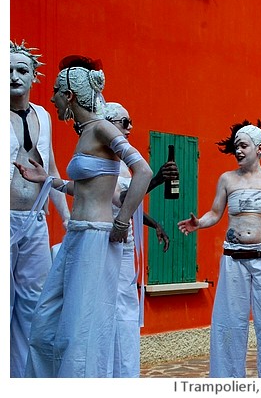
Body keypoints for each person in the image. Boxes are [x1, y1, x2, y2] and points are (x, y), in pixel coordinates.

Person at [15, 58, 152, 377]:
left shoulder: (103, 129)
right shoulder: (87, 132)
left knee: (79, 328)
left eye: (56, 93)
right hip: (77, 235)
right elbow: (88, 188)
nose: (52, 100)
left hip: (95, 237)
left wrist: (123, 221)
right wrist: (46, 179)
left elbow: (142, 171)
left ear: (71, 96)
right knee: (46, 322)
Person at [178, 121, 261, 378]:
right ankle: (228, 382)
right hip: (234, 260)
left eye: (243, 146)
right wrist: (199, 224)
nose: (238, 151)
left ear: (259, 148)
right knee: (229, 324)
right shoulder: (227, 179)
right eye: (236, 146)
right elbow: (215, 213)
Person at [9, 40, 71, 378]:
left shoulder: (44, 116)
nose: (15, 76)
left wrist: (65, 213)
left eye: (22, 70)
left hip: (35, 219)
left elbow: (51, 167)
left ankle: (28, 380)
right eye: (8, 70)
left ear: (34, 76)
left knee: (35, 304)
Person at [104, 102, 178, 377]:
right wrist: (157, 179)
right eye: (126, 122)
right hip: (109, 242)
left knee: (126, 310)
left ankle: (126, 372)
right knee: (116, 309)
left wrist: (154, 224)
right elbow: (122, 199)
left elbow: (130, 205)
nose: (131, 128)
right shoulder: (106, 162)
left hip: (125, 242)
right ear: (110, 123)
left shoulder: (123, 163)